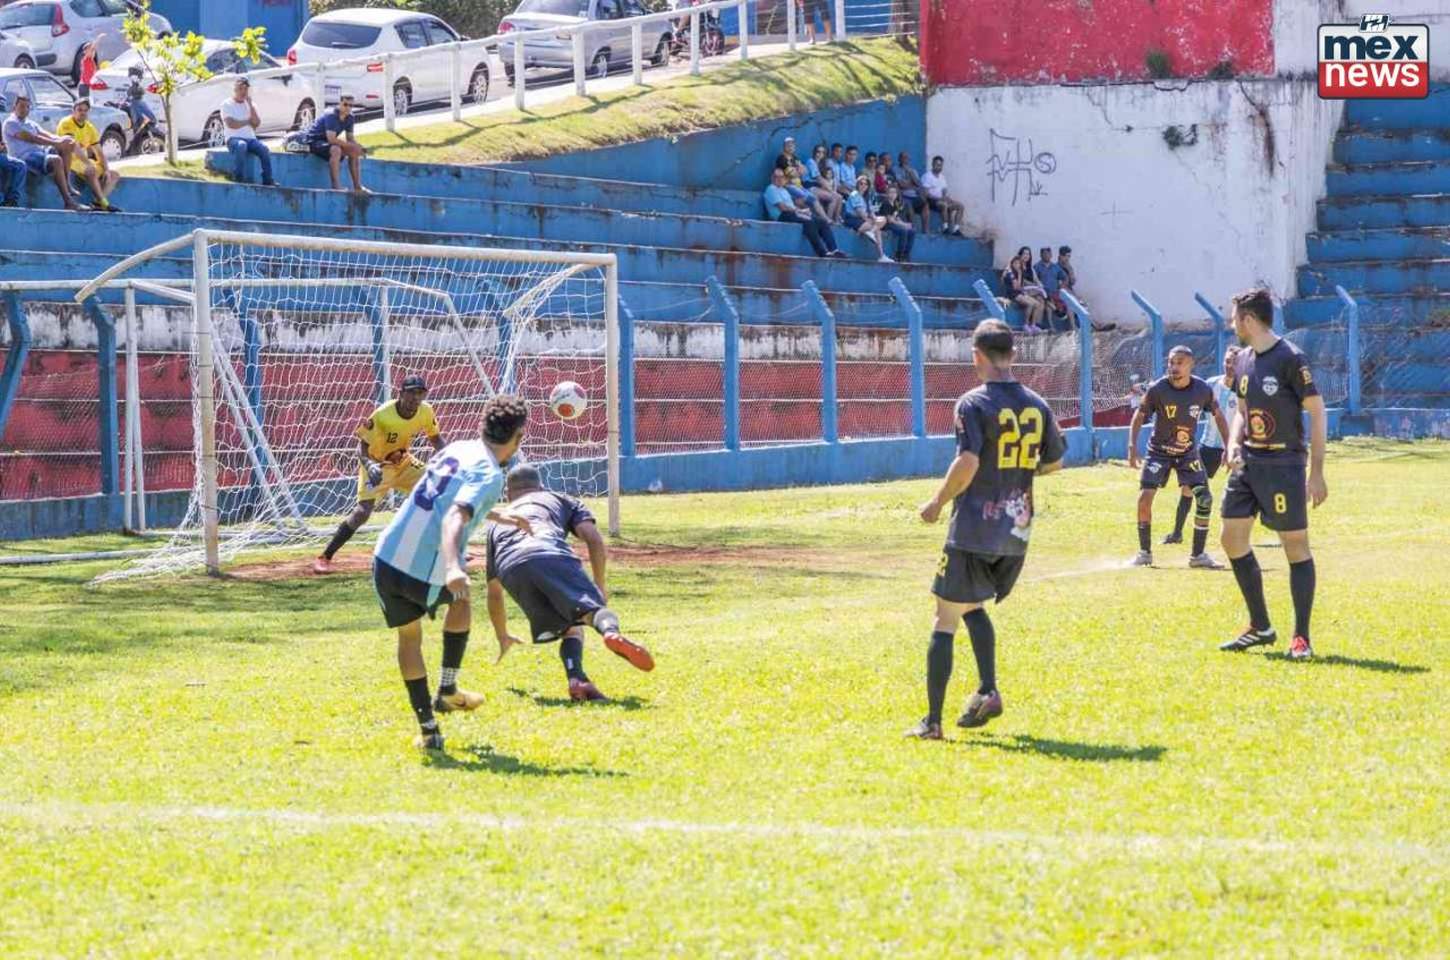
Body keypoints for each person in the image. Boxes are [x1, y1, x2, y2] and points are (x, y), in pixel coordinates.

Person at [907, 319, 1066, 739]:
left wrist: (937, 502)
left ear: (976, 356)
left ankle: (932, 722)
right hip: (1016, 530)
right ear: (1012, 354)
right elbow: (1054, 462)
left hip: (975, 526)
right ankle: (987, 691)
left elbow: (968, 462)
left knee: (945, 614)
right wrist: (1017, 472)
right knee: (972, 603)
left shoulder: (973, 403)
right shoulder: (1038, 404)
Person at [371, 394, 534, 751]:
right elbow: (453, 516)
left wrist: (499, 515)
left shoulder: (457, 449)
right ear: (518, 436)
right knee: (461, 598)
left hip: (386, 557)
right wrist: (453, 567)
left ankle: (429, 730)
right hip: (423, 566)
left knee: (409, 638)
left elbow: (440, 495)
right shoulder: (491, 474)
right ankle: (446, 690)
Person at [1218, 288, 1328, 660]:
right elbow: (1241, 410)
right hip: (1249, 461)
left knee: (1294, 546)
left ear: (1248, 320)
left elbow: (1317, 412)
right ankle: (1260, 626)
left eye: (1234, 317)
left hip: (1284, 464)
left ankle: (1301, 637)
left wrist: (1316, 472)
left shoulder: (1290, 358)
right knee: (1231, 538)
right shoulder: (1243, 359)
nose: (1231, 323)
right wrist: (1233, 443)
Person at [487, 465, 655, 703]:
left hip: (511, 569)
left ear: (507, 494)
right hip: (548, 551)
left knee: (570, 627)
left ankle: (578, 680)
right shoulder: (560, 498)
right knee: (592, 612)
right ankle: (610, 633)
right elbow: (593, 538)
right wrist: (599, 586)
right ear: (541, 487)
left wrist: (502, 635)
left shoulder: (497, 521)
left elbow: (494, 592)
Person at [313, 375, 446, 574]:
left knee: (439, 494)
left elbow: (435, 438)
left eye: (420, 393)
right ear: (401, 394)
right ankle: (325, 556)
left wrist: (451, 459)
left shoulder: (426, 411)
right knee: (362, 512)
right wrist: (369, 465)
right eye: (411, 393)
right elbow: (361, 447)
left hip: (403, 463)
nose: (416, 398)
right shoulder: (383, 415)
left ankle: (447, 551)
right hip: (377, 466)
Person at [1127, 345, 1230, 569]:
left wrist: (1229, 446)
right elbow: (1139, 415)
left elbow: (1219, 416)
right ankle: (1144, 553)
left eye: (1180, 363)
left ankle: (1198, 556)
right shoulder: (1157, 389)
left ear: (1191, 365)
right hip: (1159, 452)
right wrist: (1132, 446)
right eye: (1171, 362)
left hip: (1187, 453)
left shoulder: (1202, 389)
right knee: (1144, 498)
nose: (1174, 367)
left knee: (1204, 498)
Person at [1166, 346, 1240, 545]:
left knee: (1246, 488)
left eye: (1234, 362)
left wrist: (1232, 446)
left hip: (1236, 448)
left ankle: (1247, 531)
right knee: (1188, 488)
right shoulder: (1211, 385)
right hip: (1208, 447)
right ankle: (1177, 533)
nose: (1230, 365)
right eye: (1227, 361)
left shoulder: (1245, 390)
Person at [2, 92, 85, 211]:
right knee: (56, 160)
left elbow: (48, 135)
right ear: (14, 107)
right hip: (25, 156)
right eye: (21, 106)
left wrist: (63, 139)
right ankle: (68, 201)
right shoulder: (11, 123)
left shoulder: (31, 123)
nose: (24, 109)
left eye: (27, 107)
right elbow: (32, 138)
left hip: (39, 154)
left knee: (67, 145)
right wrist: (57, 143)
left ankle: (67, 183)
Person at [763, 167, 843, 259]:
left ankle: (834, 250)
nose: (779, 179)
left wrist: (803, 211)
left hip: (792, 213)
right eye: (776, 177)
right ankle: (822, 252)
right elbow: (782, 207)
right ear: (772, 178)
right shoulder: (771, 189)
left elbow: (792, 206)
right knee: (809, 222)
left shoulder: (784, 190)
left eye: (781, 177)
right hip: (782, 215)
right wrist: (799, 211)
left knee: (821, 221)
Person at [56, 99, 120, 212]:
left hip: (83, 161)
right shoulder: (66, 123)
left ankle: (97, 203)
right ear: (73, 111)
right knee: (91, 170)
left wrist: (106, 169)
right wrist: (88, 163)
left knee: (114, 175)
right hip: (69, 161)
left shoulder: (90, 127)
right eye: (80, 110)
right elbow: (74, 147)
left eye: (85, 111)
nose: (83, 113)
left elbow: (98, 151)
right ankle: (104, 203)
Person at [305, 94, 366, 193]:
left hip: (327, 143)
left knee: (354, 152)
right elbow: (331, 139)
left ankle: (357, 186)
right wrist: (352, 145)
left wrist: (359, 148)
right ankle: (336, 186)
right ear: (340, 103)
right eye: (345, 104)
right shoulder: (331, 115)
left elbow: (350, 138)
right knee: (336, 149)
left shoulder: (350, 117)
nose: (348, 108)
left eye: (351, 105)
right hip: (314, 141)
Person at [222, 77, 274, 186]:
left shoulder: (251, 105)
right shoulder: (227, 104)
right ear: (235, 89)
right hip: (233, 139)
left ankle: (267, 179)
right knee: (241, 145)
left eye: (245, 89)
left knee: (264, 149)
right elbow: (231, 124)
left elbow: (256, 123)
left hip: (250, 139)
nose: (243, 92)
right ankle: (238, 178)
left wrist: (250, 106)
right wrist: (247, 121)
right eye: (240, 89)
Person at [843, 174, 889, 262]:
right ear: (857, 184)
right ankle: (868, 232)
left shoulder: (866, 197)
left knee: (883, 219)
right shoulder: (854, 194)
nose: (863, 185)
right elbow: (860, 213)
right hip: (852, 219)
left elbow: (870, 212)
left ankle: (881, 256)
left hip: (862, 220)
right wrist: (872, 222)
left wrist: (875, 220)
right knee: (876, 229)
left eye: (865, 184)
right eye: (861, 183)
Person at [921, 155, 965, 236]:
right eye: (937, 165)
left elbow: (944, 192)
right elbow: (926, 194)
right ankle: (945, 228)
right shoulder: (927, 176)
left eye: (940, 165)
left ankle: (956, 230)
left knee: (960, 206)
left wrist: (948, 199)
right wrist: (939, 199)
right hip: (932, 201)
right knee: (944, 205)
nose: (939, 167)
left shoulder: (942, 177)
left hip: (941, 200)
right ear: (932, 164)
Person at [1001, 250, 1044, 332]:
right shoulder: (1010, 273)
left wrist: (1020, 274)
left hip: (1019, 293)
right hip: (1012, 294)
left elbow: (1020, 287)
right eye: (1015, 263)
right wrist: (1020, 274)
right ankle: (1026, 324)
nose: (1017, 265)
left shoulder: (1019, 272)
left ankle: (1033, 325)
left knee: (1037, 304)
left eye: (1018, 263)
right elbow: (1016, 287)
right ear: (1012, 263)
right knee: (1030, 304)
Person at [877, 183, 915, 263]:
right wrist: (904, 225)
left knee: (912, 231)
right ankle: (899, 255)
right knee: (903, 231)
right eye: (890, 192)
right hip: (885, 224)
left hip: (893, 223)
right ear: (887, 194)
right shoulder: (886, 203)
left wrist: (906, 224)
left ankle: (906, 254)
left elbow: (896, 218)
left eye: (894, 192)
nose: (892, 194)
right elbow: (890, 220)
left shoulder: (896, 204)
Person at [123, 66, 159, 140]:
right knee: (137, 123)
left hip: (136, 103)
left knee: (138, 123)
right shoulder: (135, 92)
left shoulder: (136, 91)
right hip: (136, 104)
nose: (141, 79)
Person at [895, 151, 926, 227]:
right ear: (899, 159)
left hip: (915, 196)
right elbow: (901, 185)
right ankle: (912, 228)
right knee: (909, 204)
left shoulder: (913, 170)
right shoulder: (896, 169)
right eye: (903, 157)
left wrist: (911, 174)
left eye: (906, 158)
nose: (905, 160)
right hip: (904, 196)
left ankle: (925, 230)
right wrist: (913, 185)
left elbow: (919, 185)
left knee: (926, 205)